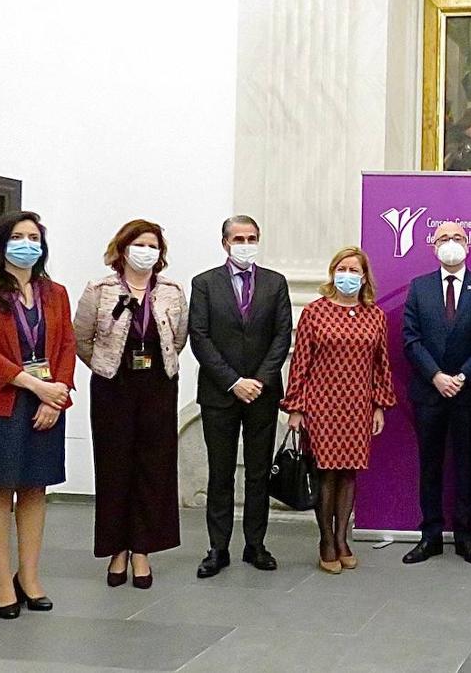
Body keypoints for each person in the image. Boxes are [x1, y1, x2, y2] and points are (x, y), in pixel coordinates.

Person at [0, 211, 76, 619]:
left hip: (47, 401)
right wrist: (35, 386)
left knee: (34, 487)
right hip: (0, 401)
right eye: (18, 236)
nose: (27, 243)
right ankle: (1, 581)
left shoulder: (55, 292)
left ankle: (29, 577)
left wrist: (53, 397)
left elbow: (65, 345)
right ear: (2, 243)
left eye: (34, 236)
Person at [73, 220, 188, 589]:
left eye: (153, 245)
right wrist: (106, 367)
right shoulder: (100, 289)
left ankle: (142, 550)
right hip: (113, 384)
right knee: (114, 466)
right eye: (139, 244)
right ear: (123, 249)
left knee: (153, 468)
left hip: (157, 383)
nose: (146, 251)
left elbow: (179, 336)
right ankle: (116, 549)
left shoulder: (171, 290)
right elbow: (81, 339)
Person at [189, 215, 294, 578]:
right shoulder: (204, 283)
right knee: (220, 474)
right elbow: (199, 337)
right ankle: (217, 548)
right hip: (220, 393)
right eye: (238, 238)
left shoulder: (275, 283)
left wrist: (260, 380)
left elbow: (283, 335)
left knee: (258, 473)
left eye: (251, 237)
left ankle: (256, 544)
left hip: (262, 395)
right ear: (225, 243)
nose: (245, 244)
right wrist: (234, 381)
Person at [282, 247, 396, 574]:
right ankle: (326, 540)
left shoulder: (374, 315)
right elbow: (300, 362)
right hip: (321, 405)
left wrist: (378, 406)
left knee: (349, 473)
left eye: (354, 270)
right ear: (334, 273)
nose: (348, 275)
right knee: (325, 473)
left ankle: (343, 537)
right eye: (342, 268)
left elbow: (381, 366)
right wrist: (296, 408)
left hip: (358, 406)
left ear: (363, 277)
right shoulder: (314, 312)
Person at [401, 221, 471, 565]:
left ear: (468, 244)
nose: (451, 243)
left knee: (466, 465)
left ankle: (465, 537)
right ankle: (430, 536)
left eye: (457, 237)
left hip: (468, 393)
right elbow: (411, 339)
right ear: (433, 246)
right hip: (429, 393)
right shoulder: (419, 287)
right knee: (430, 466)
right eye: (444, 238)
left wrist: (461, 377)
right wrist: (437, 377)